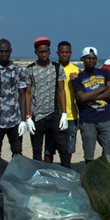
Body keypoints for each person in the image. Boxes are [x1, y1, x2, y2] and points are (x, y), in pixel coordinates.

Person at [24, 37, 70, 168]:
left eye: (46, 51)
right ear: (36, 53)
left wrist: (64, 114)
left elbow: (61, 91)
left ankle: (67, 172)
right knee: (37, 149)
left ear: (49, 51)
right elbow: (27, 93)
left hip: (53, 114)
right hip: (37, 116)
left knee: (62, 147)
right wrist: (27, 117)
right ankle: (38, 175)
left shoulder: (57, 67)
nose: (43, 54)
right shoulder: (30, 69)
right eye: (40, 52)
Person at [72, 46, 110, 164]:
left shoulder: (104, 72)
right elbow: (81, 97)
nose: (91, 60)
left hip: (105, 119)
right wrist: (102, 88)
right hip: (88, 121)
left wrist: (89, 98)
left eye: (93, 58)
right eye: (88, 58)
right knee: (89, 153)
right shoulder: (78, 78)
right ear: (82, 59)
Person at [43, 41, 80, 163]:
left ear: (71, 53)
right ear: (57, 53)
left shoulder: (77, 70)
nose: (64, 54)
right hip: (53, 114)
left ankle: (66, 172)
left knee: (68, 149)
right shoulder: (52, 68)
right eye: (62, 52)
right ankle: (47, 172)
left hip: (71, 115)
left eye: (67, 52)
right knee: (49, 149)